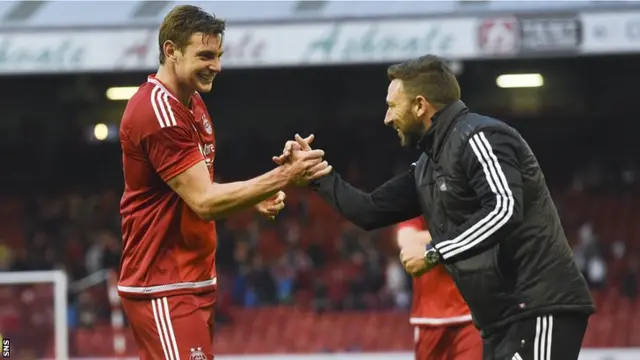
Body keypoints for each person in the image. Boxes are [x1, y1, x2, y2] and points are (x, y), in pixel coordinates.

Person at [276, 55, 595, 360]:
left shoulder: (480, 137)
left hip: (539, 304)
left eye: (391, 106)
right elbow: (369, 210)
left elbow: (505, 209)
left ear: (419, 105)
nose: (387, 118)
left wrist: (433, 251)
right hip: (501, 319)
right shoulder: (429, 165)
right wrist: (317, 176)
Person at [117, 6, 331, 360]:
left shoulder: (193, 103)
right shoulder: (158, 111)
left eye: (218, 56)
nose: (216, 66)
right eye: (205, 55)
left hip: (193, 280)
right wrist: (286, 176)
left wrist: (253, 197)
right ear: (171, 51)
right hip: (163, 283)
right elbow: (203, 200)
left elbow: (192, 185)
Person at [396, 217, 481, 360]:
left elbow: (483, 231)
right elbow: (406, 240)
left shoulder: (471, 196)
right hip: (429, 317)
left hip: (472, 315)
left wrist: (427, 241)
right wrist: (456, 234)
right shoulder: (419, 198)